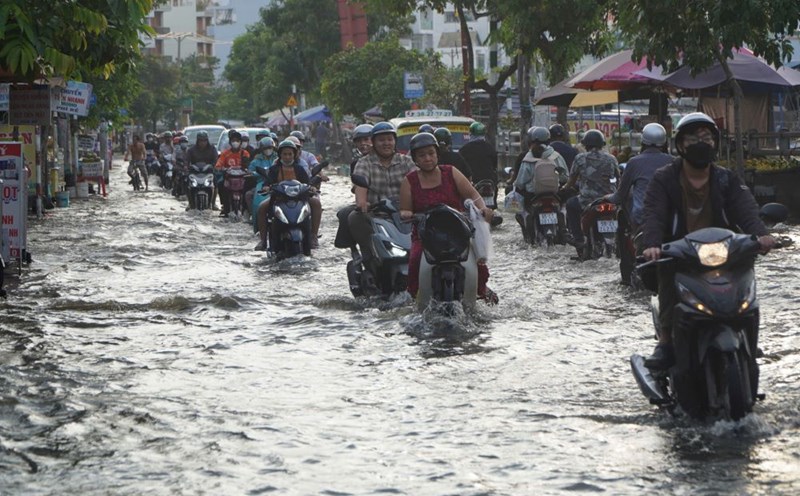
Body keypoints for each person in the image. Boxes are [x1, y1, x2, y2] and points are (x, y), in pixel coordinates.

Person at [640, 112, 775, 369]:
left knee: (746, 267)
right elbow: (653, 214)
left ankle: (747, 332)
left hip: (725, 248)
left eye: (706, 138)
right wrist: (653, 244)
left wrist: (762, 235)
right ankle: (666, 341)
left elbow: (745, 209)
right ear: (680, 146)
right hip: (681, 250)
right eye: (693, 139)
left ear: (715, 143)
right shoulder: (664, 178)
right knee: (667, 273)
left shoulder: (726, 178)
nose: (701, 144)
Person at [399, 132, 498, 304]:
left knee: (480, 265)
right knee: (414, 261)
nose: (427, 158)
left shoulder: (451, 172)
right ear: (415, 159)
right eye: (422, 155)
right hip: (426, 235)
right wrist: (407, 214)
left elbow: (474, 196)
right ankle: (413, 298)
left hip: (458, 232)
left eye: (431, 153)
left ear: (437, 154)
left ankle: (481, 291)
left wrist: (483, 208)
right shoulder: (409, 181)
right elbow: (405, 210)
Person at [347, 122, 416, 275]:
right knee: (353, 217)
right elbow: (361, 187)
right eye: (381, 140)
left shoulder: (406, 161)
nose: (386, 143)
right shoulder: (364, 163)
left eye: (389, 139)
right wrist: (362, 203)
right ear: (374, 142)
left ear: (395, 141)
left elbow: (418, 183)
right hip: (377, 215)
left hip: (406, 214)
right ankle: (368, 256)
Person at [254, 139, 322, 251]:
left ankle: (313, 236)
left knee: (316, 203)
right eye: (284, 154)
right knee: (262, 208)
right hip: (279, 199)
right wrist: (267, 187)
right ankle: (263, 240)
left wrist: (312, 188)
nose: (287, 157)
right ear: (280, 155)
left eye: (290, 154)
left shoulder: (299, 169)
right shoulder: (274, 169)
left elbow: (307, 183)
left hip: (300, 199)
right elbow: (267, 183)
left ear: (294, 155)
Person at [560, 129, 619, 256]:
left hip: (587, 201)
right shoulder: (611, 158)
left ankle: (579, 239)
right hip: (609, 200)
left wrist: (564, 188)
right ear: (602, 144)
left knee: (570, 204)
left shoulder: (580, 158)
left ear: (585, 145)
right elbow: (618, 179)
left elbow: (571, 181)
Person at [605, 123, 673, 232]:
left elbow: (620, 196)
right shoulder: (673, 161)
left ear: (642, 141)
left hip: (642, 218)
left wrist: (606, 197)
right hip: (670, 218)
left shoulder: (634, 162)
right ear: (664, 142)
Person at [333, 123, 373, 249]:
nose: (363, 144)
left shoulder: (402, 160)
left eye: (366, 139)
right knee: (346, 214)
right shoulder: (357, 163)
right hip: (369, 203)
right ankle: (357, 250)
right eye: (359, 141)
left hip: (395, 204)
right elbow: (357, 187)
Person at [215, 130, 250, 216]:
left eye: (237, 141)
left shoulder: (245, 153)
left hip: (242, 179)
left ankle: (246, 209)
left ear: (240, 142)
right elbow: (218, 165)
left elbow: (248, 166)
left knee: (249, 188)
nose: (235, 143)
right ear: (230, 142)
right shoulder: (225, 154)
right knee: (220, 184)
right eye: (233, 141)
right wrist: (221, 168)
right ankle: (225, 206)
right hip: (229, 178)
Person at [185, 130, 219, 210]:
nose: (202, 142)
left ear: (207, 140)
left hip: (208, 172)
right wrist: (186, 167)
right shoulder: (191, 150)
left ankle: (213, 203)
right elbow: (187, 160)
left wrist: (214, 166)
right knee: (186, 182)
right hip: (194, 172)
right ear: (197, 140)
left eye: (204, 140)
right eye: (201, 140)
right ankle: (190, 203)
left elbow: (216, 160)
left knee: (216, 182)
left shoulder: (212, 149)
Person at [458, 121, 498, 187]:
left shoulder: (464, 149)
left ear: (471, 134)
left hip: (471, 183)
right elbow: (495, 165)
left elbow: (461, 167)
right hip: (490, 182)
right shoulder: (490, 148)